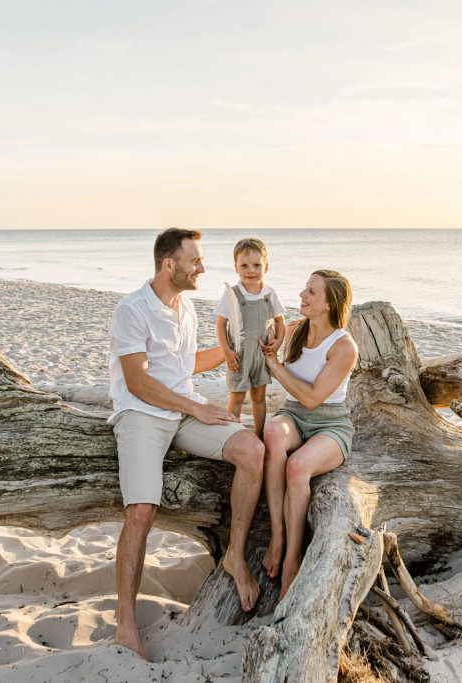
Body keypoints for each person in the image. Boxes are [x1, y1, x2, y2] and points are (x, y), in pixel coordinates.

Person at [108, 228, 265, 658]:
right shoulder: (132, 309)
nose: (202, 266)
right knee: (141, 510)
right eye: (194, 260)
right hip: (141, 413)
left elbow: (184, 364)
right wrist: (195, 408)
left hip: (182, 410)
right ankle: (125, 625)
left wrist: (234, 348)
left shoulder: (188, 308)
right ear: (168, 264)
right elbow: (139, 382)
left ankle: (234, 555)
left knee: (252, 450)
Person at [259, 269, 357, 600]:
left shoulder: (344, 347)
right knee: (272, 432)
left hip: (330, 425)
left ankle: (291, 558)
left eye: (312, 292)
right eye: (305, 289)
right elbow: (257, 340)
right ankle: (277, 535)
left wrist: (275, 366)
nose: (303, 295)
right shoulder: (297, 330)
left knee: (297, 467)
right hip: (293, 416)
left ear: (329, 304)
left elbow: (313, 397)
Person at [214, 237, 286, 437]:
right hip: (238, 356)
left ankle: (259, 434)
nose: (250, 270)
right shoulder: (232, 295)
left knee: (259, 396)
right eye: (244, 265)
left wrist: (278, 342)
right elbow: (221, 324)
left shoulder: (269, 294)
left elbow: (280, 321)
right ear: (236, 267)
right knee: (236, 396)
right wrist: (227, 351)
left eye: (257, 265)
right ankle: (230, 435)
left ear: (266, 267)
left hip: (261, 355)